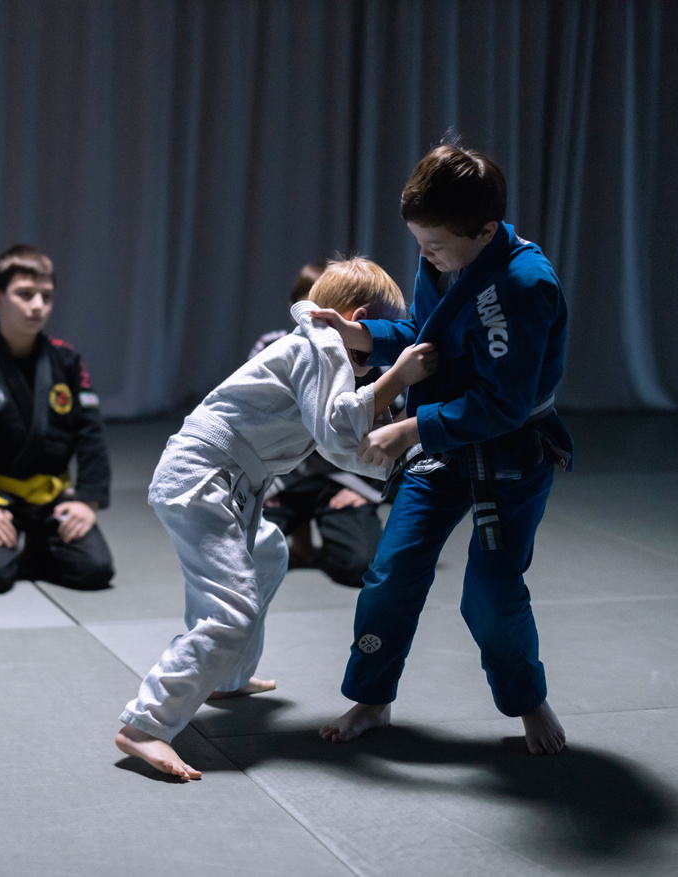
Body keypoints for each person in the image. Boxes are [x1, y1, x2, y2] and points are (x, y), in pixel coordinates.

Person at [115, 258, 437, 779]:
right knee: (231, 610)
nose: (383, 356)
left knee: (268, 552)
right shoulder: (322, 345)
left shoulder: (321, 350)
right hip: (203, 478)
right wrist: (399, 375)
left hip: (231, 482)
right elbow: (337, 433)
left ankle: (228, 675)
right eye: (382, 341)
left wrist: (400, 460)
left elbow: (343, 448)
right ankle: (145, 726)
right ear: (356, 320)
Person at [314, 144, 574, 755]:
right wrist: (362, 334)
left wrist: (409, 429)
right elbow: (425, 338)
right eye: (420, 243)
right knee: (391, 571)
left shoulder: (524, 283)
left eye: (433, 245)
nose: (424, 255)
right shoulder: (445, 259)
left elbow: (504, 403)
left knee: (490, 590)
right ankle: (372, 698)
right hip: (442, 448)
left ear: (485, 231)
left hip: (510, 450)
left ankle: (526, 699)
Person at [0, 244, 114, 594]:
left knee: (95, 571)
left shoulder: (67, 360)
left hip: (53, 496)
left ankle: (40, 543)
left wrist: (87, 499)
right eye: (25, 294)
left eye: (46, 296)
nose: (38, 306)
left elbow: (91, 434)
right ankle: (12, 540)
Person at [250, 263, 391, 587]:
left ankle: (329, 532)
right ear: (295, 310)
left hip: (341, 482)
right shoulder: (271, 347)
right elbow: (256, 424)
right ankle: (297, 529)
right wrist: (258, 484)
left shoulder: (371, 358)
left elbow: (391, 433)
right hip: (286, 479)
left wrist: (371, 492)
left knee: (361, 566)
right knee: (238, 559)